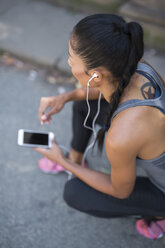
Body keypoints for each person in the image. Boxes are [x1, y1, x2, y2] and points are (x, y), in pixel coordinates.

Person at [34, 14, 165, 240]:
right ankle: (77, 162)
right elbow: (109, 86)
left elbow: (120, 190)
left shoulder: (121, 137)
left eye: (72, 58)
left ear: (95, 75)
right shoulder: (140, 68)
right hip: (145, 134)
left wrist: (60, 159)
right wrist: (66, 96)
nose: (68, 62)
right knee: (82, 104)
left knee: (74, 192)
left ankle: (159, 214)